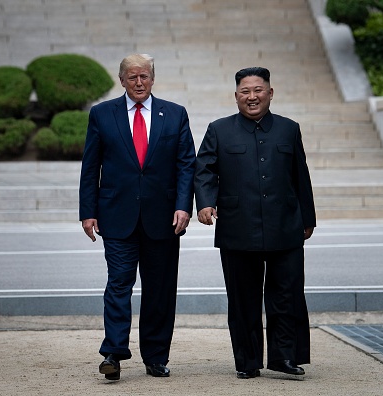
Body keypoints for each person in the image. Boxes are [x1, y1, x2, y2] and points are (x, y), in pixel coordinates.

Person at [79, 53, 196, 380]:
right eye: (132, 77)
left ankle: (156, 357)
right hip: (116, 216)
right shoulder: (102, 114)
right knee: (118, 284)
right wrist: (87, 212)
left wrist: (184, 205)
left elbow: (187, 163)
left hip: (164, 218)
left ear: (153, 78)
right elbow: (91, 167)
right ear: (122, 80)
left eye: (144, 76)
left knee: (160, 290)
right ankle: (113, 353)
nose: (139, 82)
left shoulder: (174, 114)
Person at [194, 67, 316, 379]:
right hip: (238, 227)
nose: (252, 97)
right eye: (245, 91)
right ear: (236, 97)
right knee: (242, 299)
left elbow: (300, 175)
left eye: (258, 90)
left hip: (285, 225)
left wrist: (307, 217)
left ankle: (284, 357)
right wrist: (206, 202)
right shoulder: (219, 130)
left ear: (270, 93)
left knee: (286, 295)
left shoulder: (289, 129)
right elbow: (205, 169)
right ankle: (247, 362)